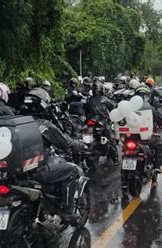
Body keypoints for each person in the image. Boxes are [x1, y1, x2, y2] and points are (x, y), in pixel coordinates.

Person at [20, 89, 87, 225]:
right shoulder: (43, 125)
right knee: (71, 171)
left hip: (17, 172)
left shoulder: (18, 124)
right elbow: (65, 142)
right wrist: (79, 146)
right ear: (43, 105)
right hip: (37, 171)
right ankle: (67, 212)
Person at [134, 85, 162, 176]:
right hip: (145, 137)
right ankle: (157, 166)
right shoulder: (150, 108)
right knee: (159, 143)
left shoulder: (130, 108)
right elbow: (160, 120)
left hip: (131, 137)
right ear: (147, 96)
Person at [83, 82, 119, 165]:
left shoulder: (89, 100)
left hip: (90, 121)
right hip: (101, 121)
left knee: (86, 138)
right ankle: (116, 159)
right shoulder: (104, 99)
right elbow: (113, 107)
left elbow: (86, 111)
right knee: (111, 140)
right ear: (102, 90)